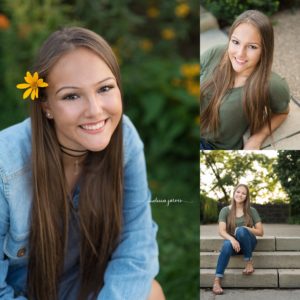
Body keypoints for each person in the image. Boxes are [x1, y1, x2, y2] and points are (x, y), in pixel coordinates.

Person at [0, 27, 165, 300]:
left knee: (150, 293)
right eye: (71, 96)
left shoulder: (124, 137)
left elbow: (137, 243)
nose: (95, 110)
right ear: (46, 106)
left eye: (104, 88)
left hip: (81, 280)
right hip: (21, 289)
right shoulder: (6, 164)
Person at [200, 10, 290, 150]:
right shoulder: (216, 53)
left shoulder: (271, 84)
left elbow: (282, 112)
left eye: (252, 47)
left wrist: (258, 137)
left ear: (264, 50)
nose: (240, 53)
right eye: (235, 42)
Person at [212, 184, 263, 295]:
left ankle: (249, 263)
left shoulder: (252, 210)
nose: (240, 195)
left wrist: (245, 228)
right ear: (234, 193)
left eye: (243, 193)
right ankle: (217, 281)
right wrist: (232, 239)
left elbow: (260, 232)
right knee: (226, 245)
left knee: (241, 230)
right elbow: (221, 231)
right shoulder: (225, 211)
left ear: (246, 197)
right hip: (235, 245)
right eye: (238, 192)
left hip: (249, 243)